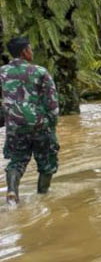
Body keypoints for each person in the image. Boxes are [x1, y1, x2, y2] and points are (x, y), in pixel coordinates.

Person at [1, 38, 60, 205]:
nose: (32, 52)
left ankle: (12, 192)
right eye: (30, 49)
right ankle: (43, 197)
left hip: (14, 126)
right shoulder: (40, 71)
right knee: (47, 162)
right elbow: (52, 103)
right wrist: (52, 125)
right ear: (24, 52)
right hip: (40, 125)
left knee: (17, 161)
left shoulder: (2, 72)